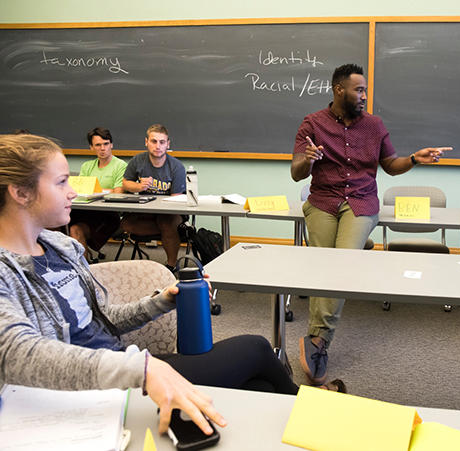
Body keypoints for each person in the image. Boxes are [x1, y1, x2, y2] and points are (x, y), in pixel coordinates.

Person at [0, 134, 345, 438]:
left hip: (123, 366)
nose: (73, 190)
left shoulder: (63, 248)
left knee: (259, 386)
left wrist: (160, 302)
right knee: (256, 350)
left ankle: (310, 422)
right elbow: (18, 353)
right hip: (86, 390)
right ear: (20, 192)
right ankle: (317, 414)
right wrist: (144, 369)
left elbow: (104, 319)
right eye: (61, 182)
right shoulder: (5, 270)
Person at [290, 63, 452, 384]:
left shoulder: (374, 126)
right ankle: (320, 329)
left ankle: (319, 339)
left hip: (361, 203)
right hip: (323, 201)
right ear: (340, 90)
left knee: (343, 263)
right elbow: (297, 172)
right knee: (325, 264)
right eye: (358, 90)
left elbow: (391, 165)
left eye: (364, 90)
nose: (364, 95)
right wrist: (307, 160)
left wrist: (415, 159)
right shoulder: (312, 124)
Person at [122, 124, 185, 272]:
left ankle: (171, 265)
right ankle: (169, 234)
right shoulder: (137, 161)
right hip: (144, 210)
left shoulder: (176, 166)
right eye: (153, 141)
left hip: (169, 213)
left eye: (162, 142)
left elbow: (176, 199)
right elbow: (125, 183)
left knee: (167, 223)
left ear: (168, 144)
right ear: (146, 142)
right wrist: (137, 187)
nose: (158, 146)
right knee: (125, 224)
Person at [68, 127, 127, 260]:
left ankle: (83, 269)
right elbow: (80, 190)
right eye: (98, 145)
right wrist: (105, 190)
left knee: (74, 229)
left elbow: (118, 193)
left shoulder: (120, 165)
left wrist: (96, 191)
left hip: (107, 215)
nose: (102, 148)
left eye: (106, 144)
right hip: (86, 211)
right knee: (56, 223)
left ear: (111, 144)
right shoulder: (87, 166)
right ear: (91, 147)